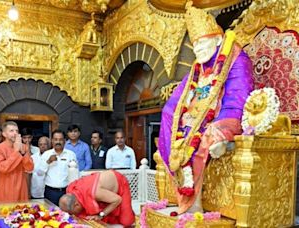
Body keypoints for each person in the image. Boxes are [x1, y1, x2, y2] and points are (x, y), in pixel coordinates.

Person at [157, 1, 254, 214]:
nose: (198, 50)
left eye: (203, 44)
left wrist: (223, 133)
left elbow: (237, 98)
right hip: (195, 121)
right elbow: (177, 99)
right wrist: (171, 120)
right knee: (175, 137)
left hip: (225, 118)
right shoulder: (198, 68)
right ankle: (183, 194)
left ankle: (194, 204)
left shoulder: (236, 58)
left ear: (218, 39)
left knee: (206, 138)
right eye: (196, 46)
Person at [59, 170, 134, 227]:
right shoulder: (71, 190)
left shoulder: (95, 193)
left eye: (72, 212)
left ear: (76, 205)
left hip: (119, 183)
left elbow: (117, 199)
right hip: (104, 191)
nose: (73, 214)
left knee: (126, 221)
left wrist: (100, 215)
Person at [0, 121, 34, 202]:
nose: (15, 133)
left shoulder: (24, 147)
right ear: (4, 134)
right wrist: (16, 152)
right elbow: (3, 168)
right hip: (5, 190)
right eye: (11, 131)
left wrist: (22, 153)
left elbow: (29, 168)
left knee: (22, 213)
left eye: (17, 131)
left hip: (21, 189)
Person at [38, 130, 77, 205]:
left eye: (60, 139)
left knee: (66, 215)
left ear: (65, 141)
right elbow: (39, 173)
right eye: (55, 139)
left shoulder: (71, 154)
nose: (58, 142)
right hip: (50, 192)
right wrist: (48, 162)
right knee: (50, 215)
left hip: (66, 191)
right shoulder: (46, 154)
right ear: (52, 141)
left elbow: (75, 175)